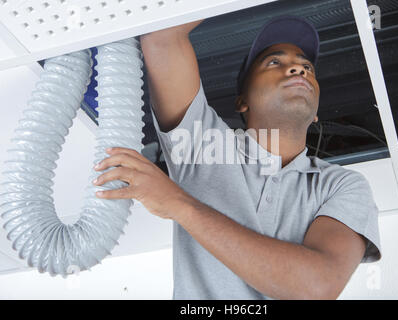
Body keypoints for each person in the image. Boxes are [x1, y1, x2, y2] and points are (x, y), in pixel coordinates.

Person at [92, 15, 382, 299]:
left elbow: (316, 288)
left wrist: (178, 204)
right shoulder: (201, 144)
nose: (298, 69)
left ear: (315, 111)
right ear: (242, 101)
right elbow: (161, 37)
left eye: (307, 67)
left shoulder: (342, 186)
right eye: (275, 62)